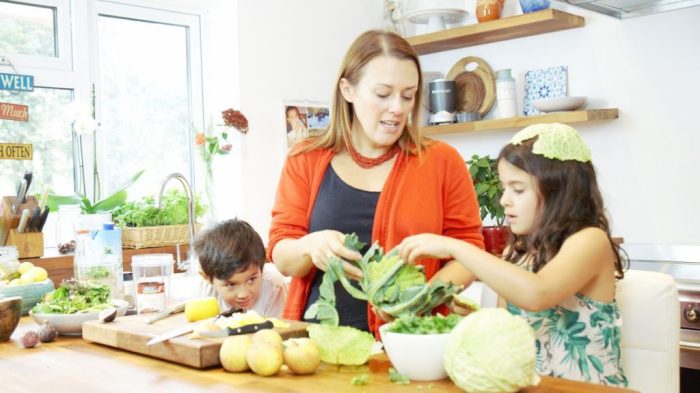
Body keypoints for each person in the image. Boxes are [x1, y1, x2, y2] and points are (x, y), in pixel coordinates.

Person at [268, 30, 484, 334]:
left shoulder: (442, 162)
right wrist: (309, 246)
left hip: (408, 344)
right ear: (348, 90)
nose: (397, 108)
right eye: (383, 94)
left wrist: (420, 300)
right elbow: (282, 256)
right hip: (316, 348)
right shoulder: (304, 159)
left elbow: (470, 252)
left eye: (408, 95)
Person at [398, 123, 629, 387]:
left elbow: (537, 294)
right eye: (505, 188)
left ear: (559, 191)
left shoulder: (590, 240)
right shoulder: (518, 251)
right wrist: (472, 318)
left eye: (518, 189)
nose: (505, 200)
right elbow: (510, 331)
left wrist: (455, 247)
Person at [194, 218, 288, 318]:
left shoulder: (273, 288)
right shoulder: (207, 290)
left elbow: (281, 330)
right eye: (230, 285)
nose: (243, 294)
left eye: (251, 279)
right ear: (207, 278)